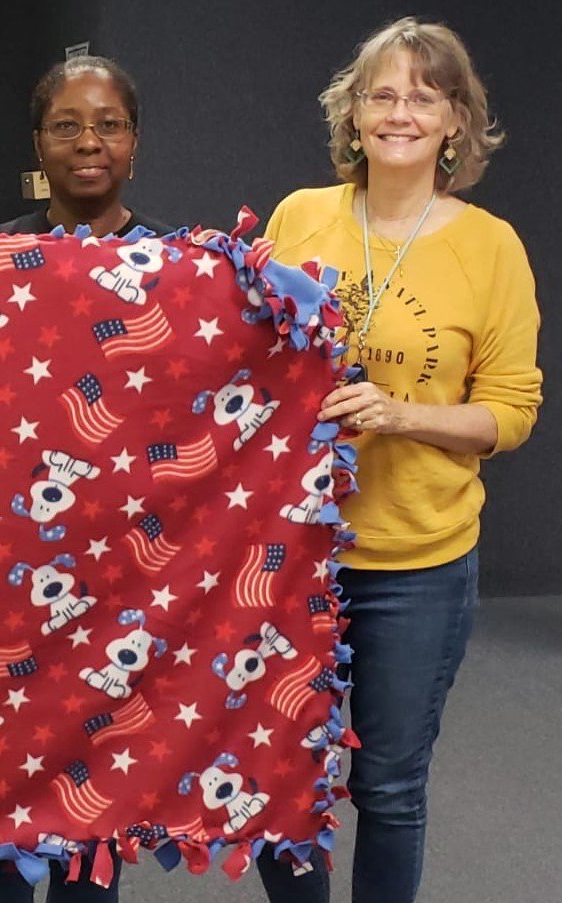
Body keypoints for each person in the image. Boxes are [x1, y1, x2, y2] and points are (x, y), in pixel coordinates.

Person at [256, 18, 541, 903]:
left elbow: (511, 413)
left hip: (417, 560)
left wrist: (399, 413)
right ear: (353, 113)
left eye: (423, 96)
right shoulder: (301, 216)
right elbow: (252, 363)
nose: (399, 112)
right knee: (278, 785)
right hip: (294, 555)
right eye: (381, 93)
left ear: (456, 120)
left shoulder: (488, 246)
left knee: (385, 787)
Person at [0, 55, 169, 238]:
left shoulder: (174, 257)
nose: (88, 144)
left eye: (108, 125)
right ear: (39, 146)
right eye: (66, 126)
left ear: (133, 142)